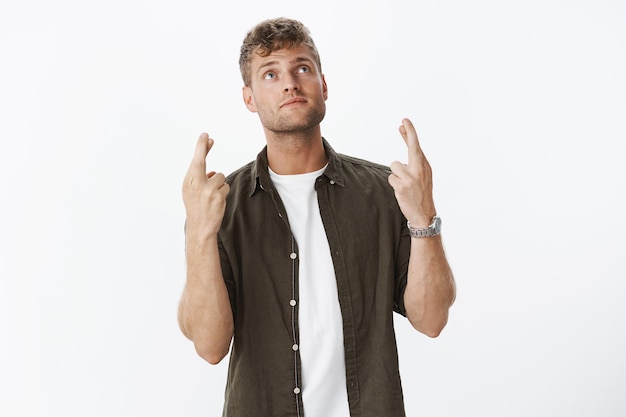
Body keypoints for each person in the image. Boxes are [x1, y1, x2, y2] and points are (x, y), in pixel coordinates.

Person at [178, 17, 456, 417]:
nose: (290, 83)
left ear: (323, 85)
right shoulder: (220, 206)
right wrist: (199, 235)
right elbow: (209, 347)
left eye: (302, 68)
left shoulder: (385, 192)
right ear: (249, 98)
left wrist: (424, 217)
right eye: (270, 74)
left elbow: (431, 321)